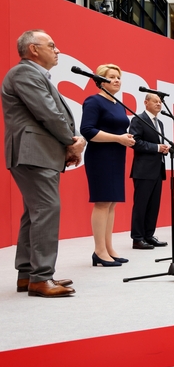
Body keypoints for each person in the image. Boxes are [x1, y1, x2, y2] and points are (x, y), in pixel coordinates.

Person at [2, 29, 85, 296]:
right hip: (33, 152)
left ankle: (28, 275)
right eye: (52, 45)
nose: (57, 49)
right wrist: (71, 142)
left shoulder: (33, 75)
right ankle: (41, 278)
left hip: (37, 152)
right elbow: (48, 113)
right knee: (47, 209)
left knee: (35, 213)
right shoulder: (25, 72)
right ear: (33, 49)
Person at [80, 64, 136, 265]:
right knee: (103, 202)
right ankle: (99, 250)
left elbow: (118, 130)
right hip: (100, 157)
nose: (117, 80)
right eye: (112, 77)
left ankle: (109, 247)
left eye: (119, 77)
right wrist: (118, 138)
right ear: (100, 80)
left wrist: (125, 138)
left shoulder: (119, 104)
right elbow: (87, 130)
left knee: (111, 203)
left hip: (116, 156)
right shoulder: (94, 101)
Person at [129, 93, 169, 247]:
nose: (159, 104)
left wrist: (163, 149)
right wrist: (157, 147)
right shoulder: (138, 119)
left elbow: (156, 144)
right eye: (155, 101)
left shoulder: (160, 123)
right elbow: (135, 142)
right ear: (146, 102)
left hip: (157, 169)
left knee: (153, 205)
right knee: (141, 205)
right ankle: (137, 238)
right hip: (143, 169)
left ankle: (149, 235)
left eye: (160, 102)